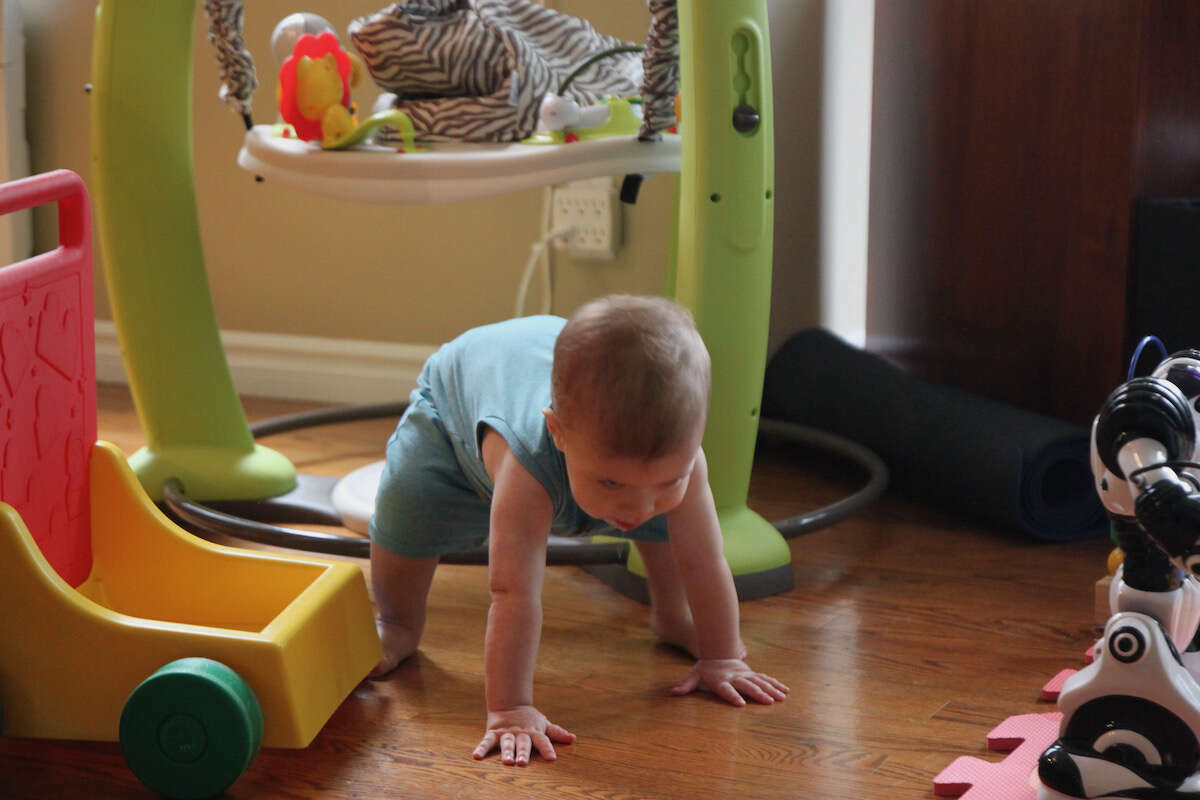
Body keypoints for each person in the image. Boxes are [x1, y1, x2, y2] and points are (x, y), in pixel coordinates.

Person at [368, 294, 788, 766]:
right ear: (558, 432)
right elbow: (512, 594)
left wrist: (723, 656)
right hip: (452, 419)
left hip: (554, 395)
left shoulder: (677, 463)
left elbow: (705, 561)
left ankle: (672, 616)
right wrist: (510, 709)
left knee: (670, 523)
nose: (638, 507)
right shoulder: (526, 466)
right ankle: (398, 621)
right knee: (410, 510)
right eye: (611, 482)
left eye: (668, 479)